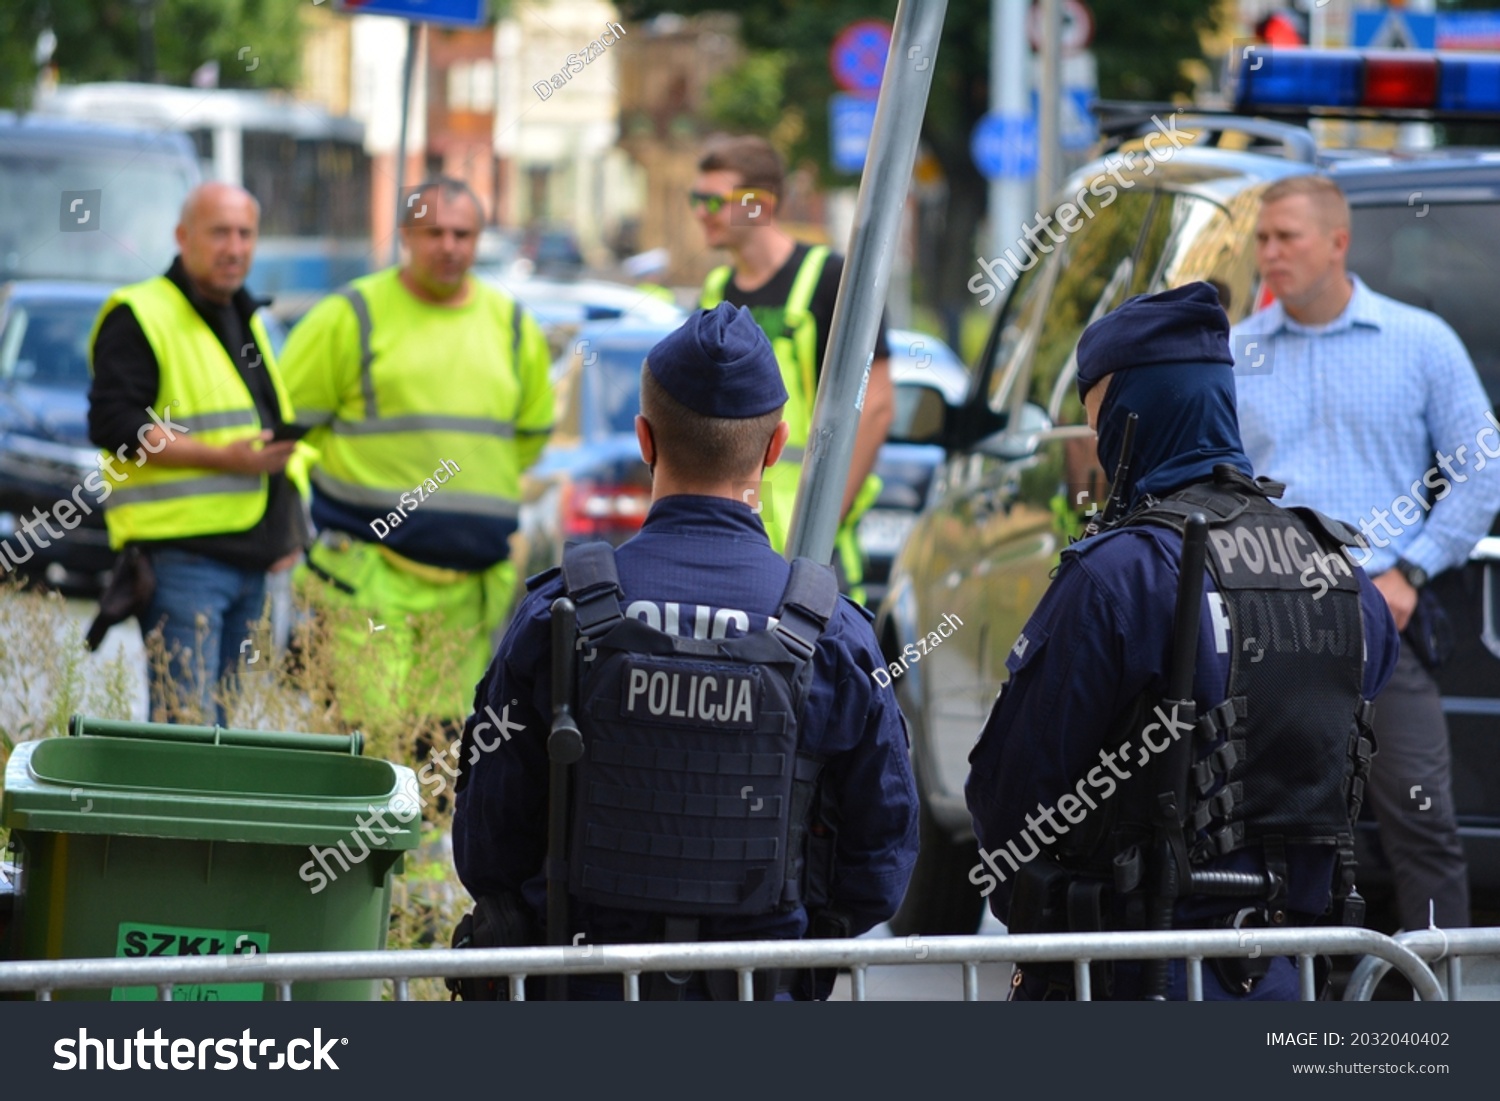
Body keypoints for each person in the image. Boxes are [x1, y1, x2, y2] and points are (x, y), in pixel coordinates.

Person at [452, 303, 919, 1000]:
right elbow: (880, 858)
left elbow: (488, 839)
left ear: (644, 438)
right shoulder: (833, 636)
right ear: (774, 445)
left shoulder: (558, 616)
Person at [966, 283, 1400, 1001]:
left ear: (1132, 414)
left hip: (1127, 975)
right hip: (1286, 976)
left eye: (1099, 416)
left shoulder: (1118, 576)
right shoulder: (1346, 574)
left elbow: (1012, 788)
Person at [1232, 175, 1500, 931]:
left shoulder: (1420, 343)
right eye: (1262, 238)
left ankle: (1441, 1005)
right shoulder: (1237, 353)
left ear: (1338, 243)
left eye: (1287, 237)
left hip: (1379, 622)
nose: (1270, 253)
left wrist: (1409, 568)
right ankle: (1269, 995)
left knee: (1422, 820)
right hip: (1265, 626)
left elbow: (1484, 465)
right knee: (1259, 824)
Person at [278, 178, 553, 728]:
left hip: (469, 584)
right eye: (434, 233)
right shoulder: (350, 316)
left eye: (463, 233)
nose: (449, 246)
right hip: (367, 575)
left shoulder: (514, 327)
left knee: (444, 745)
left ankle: (428, 823)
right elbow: (286, 435)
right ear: (405, 234)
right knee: (367, 739)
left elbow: (528, 441)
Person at [87, 182, 307, 723]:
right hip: (182, 558)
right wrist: (223, 458)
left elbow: (269, 430)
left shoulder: (245, 313)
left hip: (250, 559)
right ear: (183, 237)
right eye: (219, 232)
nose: (234, 247)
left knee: (222, 730)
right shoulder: (140, 313)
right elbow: (115, 425)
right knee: (186, 729)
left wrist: (287, 531)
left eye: (245, 233)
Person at [693, 135, 893, 603]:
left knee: (818, 671)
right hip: (733, 543)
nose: (700, 211)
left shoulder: (832, 280)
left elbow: (878, 407)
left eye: (713, 200)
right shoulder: (714, 289)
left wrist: (819, 528)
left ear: (758, 206)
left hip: (812, 551)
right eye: (695, 199)